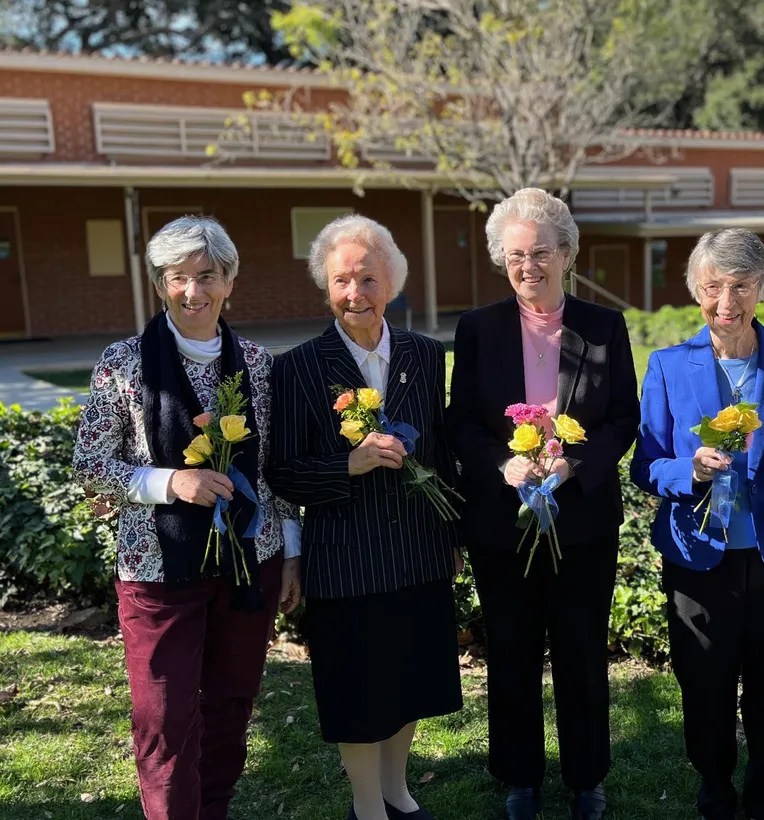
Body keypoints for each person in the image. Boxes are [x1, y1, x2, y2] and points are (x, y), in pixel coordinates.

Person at [73, 215, 302, 820]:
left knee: (230, 705)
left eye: (208, 276)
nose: (194, 292)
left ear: (230, 282)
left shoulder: (258, 364)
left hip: (250, 561)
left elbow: (277, 470)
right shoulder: (123, 363)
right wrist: (171, 481)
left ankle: (214, 809)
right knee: (164, 718)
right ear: (159, 284)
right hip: (156, 568)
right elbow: (91, 465)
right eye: (179, 278)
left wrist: (293, 552)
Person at [447, 188, 639, 820]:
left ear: (567, 254)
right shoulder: (477, 328)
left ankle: (588, 778)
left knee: (583, 652)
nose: (528, 265)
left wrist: (572, 465)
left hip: (581, 519)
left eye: (540, 253)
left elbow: (621, 419)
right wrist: (504, 464)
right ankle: (520, 776)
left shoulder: (604, 327)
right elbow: (463, 423)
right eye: (515, 255)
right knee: (511, 651)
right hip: (502, 524)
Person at [265, 216, 462, 820]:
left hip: (418, 550)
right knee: (357, 691)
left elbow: (440, 453)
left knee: (409, 681)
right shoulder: (298, 367)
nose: (356, 293)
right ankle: (365, 805)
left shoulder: (427, 357)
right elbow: (281, 471)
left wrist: (451, 533)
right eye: (342, 280)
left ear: (392, 283)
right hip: (347, 556)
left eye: (368, 278)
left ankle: (397, 792)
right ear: (326, 288)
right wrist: (346, 465)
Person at [630, 228, 764, 820]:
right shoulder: (667, 366)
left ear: (762, 288)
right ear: (696, 291)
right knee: (704, 682)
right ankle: (714, 788)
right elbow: (645, 463)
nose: (726, 303)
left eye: (741, 286)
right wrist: (690, 472)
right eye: (713, 287)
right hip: (695, 556)